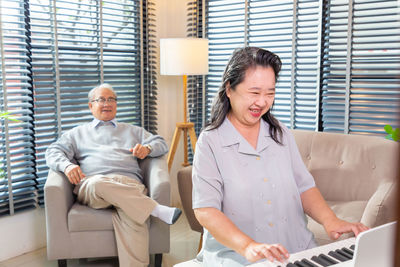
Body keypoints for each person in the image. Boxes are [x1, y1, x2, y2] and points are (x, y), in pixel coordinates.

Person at [192, 47, 369, 266]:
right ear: (229, 88)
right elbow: (205, 210)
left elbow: (304, 187)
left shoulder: (280, 133)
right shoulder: (211, 141)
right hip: (239, 256)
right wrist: (248, 246)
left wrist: (330, 221)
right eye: (254, 93)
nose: (262, 102)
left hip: (295, 250)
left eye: (270, 93)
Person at [46, 83, 181, 267]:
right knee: (99, 183)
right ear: (90, 105)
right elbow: (53, 151)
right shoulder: (77, 133)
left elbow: (161, 143)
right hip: (94, 188)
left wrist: (148, 148)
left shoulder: (133, 130)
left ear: (116, 104)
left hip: (128, 185)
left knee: (133, 215)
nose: (106, 103)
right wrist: (67, 166)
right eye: (101, 99)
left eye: (111, 99)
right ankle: (155, 209)